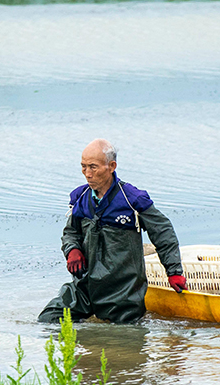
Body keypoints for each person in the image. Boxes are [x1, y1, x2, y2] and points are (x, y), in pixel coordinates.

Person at [38, 138, 186, 324]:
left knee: (122, 338)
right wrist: (72, 250)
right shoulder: (81, 198)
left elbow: (163, 233)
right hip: (84, 288)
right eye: (83, 167)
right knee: (48, 320)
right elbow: (71, 233)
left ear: (111, 166)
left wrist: (174, 271)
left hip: (122, 294)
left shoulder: (132, 199)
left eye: (93, 167)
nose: (87, 173)